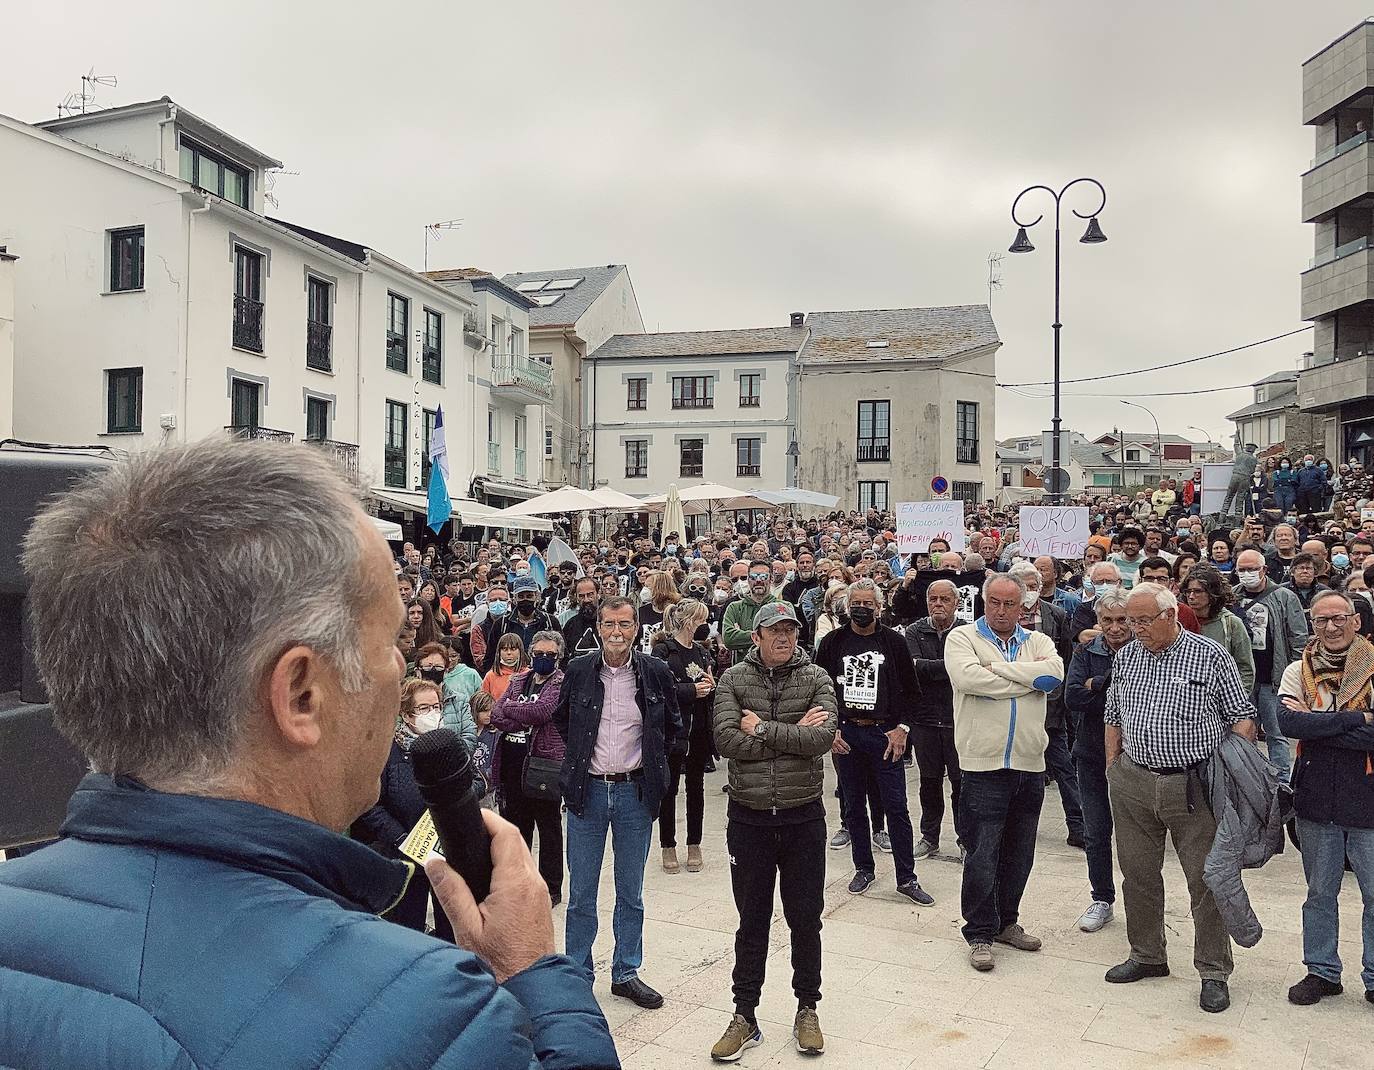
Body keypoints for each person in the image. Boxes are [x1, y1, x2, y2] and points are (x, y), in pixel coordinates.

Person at [0, 437, 617, 1068]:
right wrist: (533, 973)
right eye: (389, 642)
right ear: (301, 694)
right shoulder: (428, 1015)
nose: (401, 672)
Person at [1103, 583, 1257, 1013]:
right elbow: (1113, 712)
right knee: (1138, 875)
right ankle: (1147, 955)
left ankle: (1213, 970)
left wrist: (1226, 773)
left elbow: (1243, 718)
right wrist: (1113, 766)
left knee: (1206, 880)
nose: (1132, 630)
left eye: (1141, 621)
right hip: (1133, 781)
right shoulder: (1129, 655)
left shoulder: (1211, 656)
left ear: (1170, 616)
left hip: (1193, 786)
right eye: (1128, 621)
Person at [709, 602, 839, 1061]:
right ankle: (745, 1014)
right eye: (774, 630)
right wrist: (790, 733)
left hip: (802, 816)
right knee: (752, 919)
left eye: (790, 629)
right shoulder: (731, 680)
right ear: (757, 636)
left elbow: (822, 740)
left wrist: (761, 727)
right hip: (749, 817)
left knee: (806, 917)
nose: (784, 637)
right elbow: (726, 742)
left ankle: (807, 1007)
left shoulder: (818, 677)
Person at [554, 595, 683, 1010]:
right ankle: (577, 973)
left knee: (631, 891)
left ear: (636, 628)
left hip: (634, 793)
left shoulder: (655, 672)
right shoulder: (577, 670)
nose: (616, 632)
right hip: (588, 793)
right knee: (581, 893)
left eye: (625, 624)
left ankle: (626, 971)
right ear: (598, 626)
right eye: (609, 624)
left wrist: (660, 776)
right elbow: (561, 719)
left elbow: (674, 726)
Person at [944, 572, 1064, 972]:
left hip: (1030, 763)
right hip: (983, 764)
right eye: (994, 602)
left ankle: (1006, 922)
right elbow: (967, 679)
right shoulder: (963, 639)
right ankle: (979, 931)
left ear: (1023, 605)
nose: (1000, 610)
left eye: (1009, 603)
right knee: (982, 853)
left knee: (1019, 853)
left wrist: (997, 670)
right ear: (983, 601)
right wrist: (1027, 679)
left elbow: (1053, 677)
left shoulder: (1039, 642)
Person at [1276, 590, 1374, 1007]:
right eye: (1321, 621)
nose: (1331, 627)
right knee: (1319, 892)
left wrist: (1320, 726)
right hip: (1316, 799)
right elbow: (1288, 722)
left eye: (1339, 618)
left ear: (1356, 621)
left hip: (1369, 801)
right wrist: (1356, 719)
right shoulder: (1298, 670)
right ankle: (1321, 971)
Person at [815, 579, 933, 904]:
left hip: (885, 734)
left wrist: (903, 729)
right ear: (847, 606)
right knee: (853, 806)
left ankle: (906, 878)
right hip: (847, 733)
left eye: (868, 604)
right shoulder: (832, 642)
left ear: (879, 608)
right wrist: (831, 727)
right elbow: (819, 690)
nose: (862, 609)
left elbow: (913, 692)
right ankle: (863, 868)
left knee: (896, 808)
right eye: (857, 604)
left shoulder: (894, 643)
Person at [352, 677, 456, 940]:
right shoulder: (388, 752)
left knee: (453, 930)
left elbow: (476, 781)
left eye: (436, 706)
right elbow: (369, 804)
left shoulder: (448, 743)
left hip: (446, 854)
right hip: (404, 857)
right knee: (406, 931)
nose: (432, 713)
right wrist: (402, 838)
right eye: (423, 708)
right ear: (406, 714)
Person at [1064, 586, 1132, 934]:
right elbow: (1073, 696)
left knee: (1136, 835)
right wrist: (1107, 684)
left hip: (1135, 756)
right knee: (1096, 831)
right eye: (1108, 620)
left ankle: (1139, 901)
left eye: (1123, 620)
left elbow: (1141, 702)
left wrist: (1097, 686)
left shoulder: (1144, 652)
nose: (1116, 627)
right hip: (1090, 753)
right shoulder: (1086, 650)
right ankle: (1101, 898)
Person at [1008, 561, 1084, 848]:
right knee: (1019, 772)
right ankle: (1018, 825)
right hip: (1014, 704)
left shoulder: (1058, 614)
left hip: (1050, 708)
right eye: (1024, 586)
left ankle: (1077, 826)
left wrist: (1059, 698)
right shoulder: (1005, 616)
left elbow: (1064, 660)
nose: (1029, 591)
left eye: (1033, 586)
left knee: (1064, 769)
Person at [490, 631, 567, 907]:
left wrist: (513, 709)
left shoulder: (559, 682)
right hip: (512, 761)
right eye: (538, 654)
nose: (543, 659)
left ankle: (551, 887)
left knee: (548, 828)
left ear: (558, 657)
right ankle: (519, 884)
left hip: (543, 763)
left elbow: (543, 711)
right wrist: (517, 714)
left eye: (549, 655)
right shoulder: (519, 679)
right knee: (516, 829)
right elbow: (497, 715)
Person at [1233, 547, 1307, 784]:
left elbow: (1298, 637)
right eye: (1242, 570)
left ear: (1264, 569)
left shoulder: (1284, 597)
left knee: (1277, 734)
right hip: (1242, 677)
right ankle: (1251, 779)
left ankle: (1281, 782)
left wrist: (1295, 673)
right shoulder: (1232, 597)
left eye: (1252, 569)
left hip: (1273, 677)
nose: (1247, 574)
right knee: (1244, 731)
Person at [652, 600, 715, 875]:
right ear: (689, 620)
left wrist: (709, 686)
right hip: (674, 728)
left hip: (699, 727)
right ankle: (668, 844)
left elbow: (707, 681)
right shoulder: (664, 650)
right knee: (670, 788)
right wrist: (692, 690)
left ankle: (694, 843)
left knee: (696, 787)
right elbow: (659, 688)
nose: (706, 625)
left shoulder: (701, 652)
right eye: (701, 620)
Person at [905, 578, 964, 858]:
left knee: (961, 785)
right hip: (924, 719)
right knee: (929, 783)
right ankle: (929, 837)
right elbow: (912, 668)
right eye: (933, 599)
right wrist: (950, 668)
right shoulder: (914, 631)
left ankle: (965, 839)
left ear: (956, 603)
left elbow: (966, 670)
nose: (938, 604)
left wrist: (929, 668)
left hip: (959, 719)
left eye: (945, 599)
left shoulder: (967, 632)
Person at [415, 642, 481, 749]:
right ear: (418, 671)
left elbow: (470, 736)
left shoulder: (460, 701)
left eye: (438, 667)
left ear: (446, 671)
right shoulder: (407, 701)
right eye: (428, 666)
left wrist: (452, 757)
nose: (433, 670)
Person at [723, 560, 783, 664]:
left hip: (777, 669)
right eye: (753, 577)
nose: (758, 580)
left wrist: (742, 635)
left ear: (771, 579)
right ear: (748, 580)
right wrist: (769, 634)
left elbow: (785, 638)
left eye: (763, 576)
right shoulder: (734, 608)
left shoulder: (783, 607)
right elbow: (728, 639)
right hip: (744, 671)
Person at [482, 633, 527, 702]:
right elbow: (484, 703)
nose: (509, 653)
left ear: (520, 651)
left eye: (513, 649)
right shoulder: (490, 676)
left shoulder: (528, 674)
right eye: (505, 649)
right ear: (499, 652)